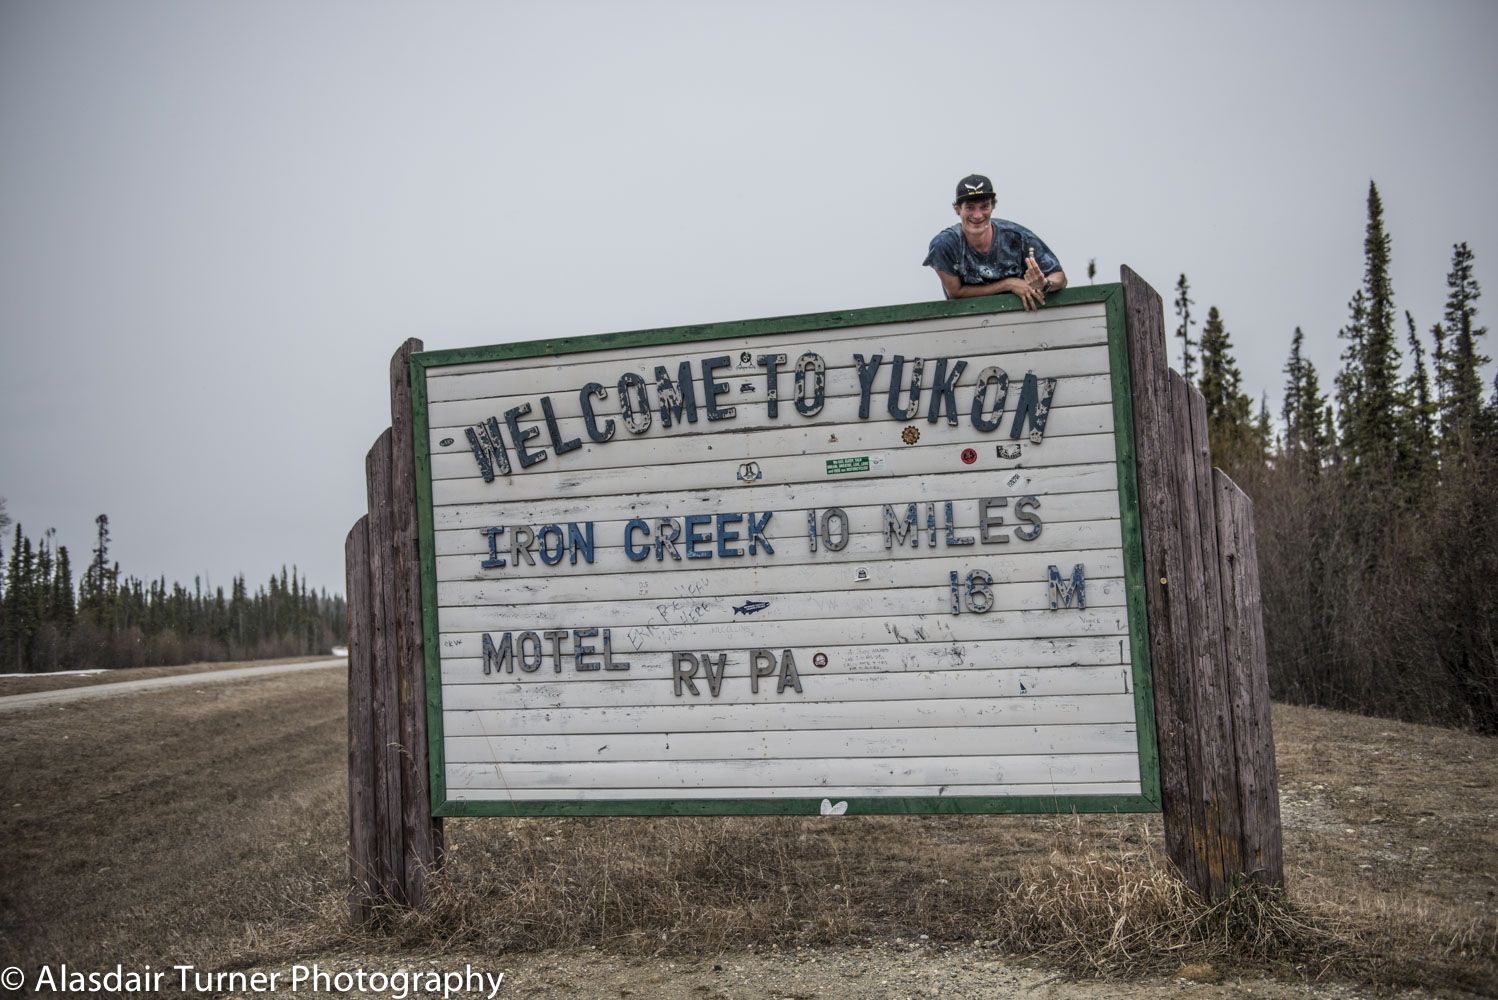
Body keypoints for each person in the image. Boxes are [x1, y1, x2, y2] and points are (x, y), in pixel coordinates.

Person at [923, 174, 1066, 309]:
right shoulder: (944, 245)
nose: (977, 215)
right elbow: (955, 293)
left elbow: (1060, 277)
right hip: (968, 321)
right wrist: (1009, 284)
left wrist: (1045, 284)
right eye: (970, 208)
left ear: (992, 207)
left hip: (1024, 316)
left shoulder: (1018, 237)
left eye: (984, 206)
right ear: (957, 209)